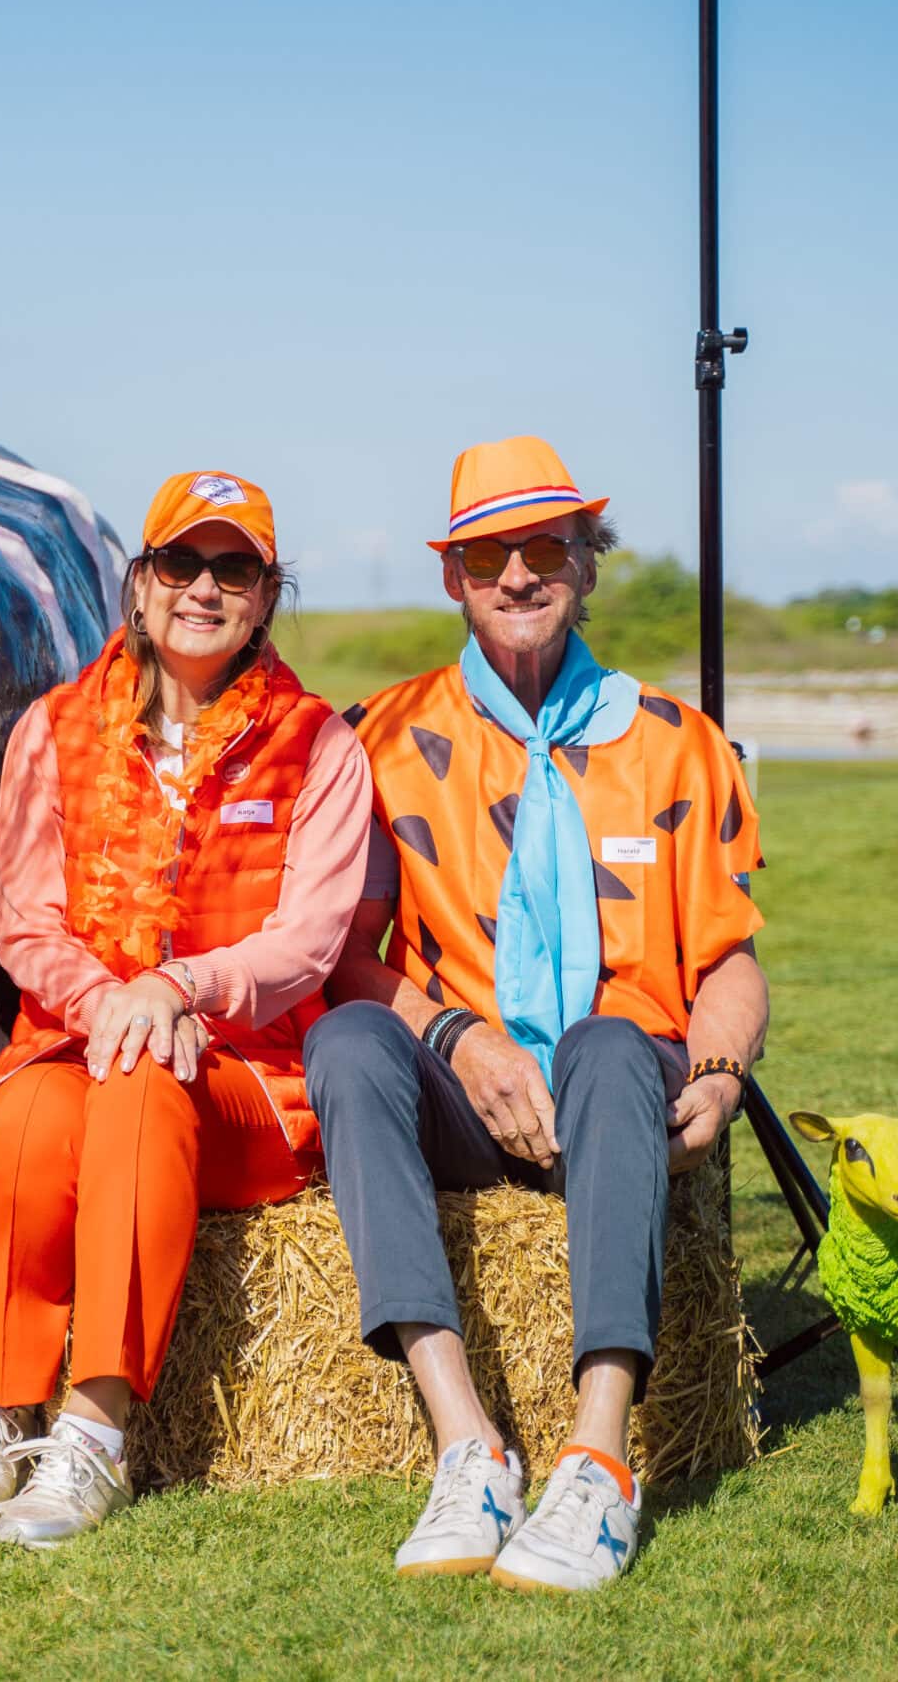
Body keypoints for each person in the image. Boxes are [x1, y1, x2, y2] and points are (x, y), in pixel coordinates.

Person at [305, 436, 769, 1593]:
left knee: (613, 1043)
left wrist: (715, 1070)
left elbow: (731, 961)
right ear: (450, 578)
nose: (516, 574)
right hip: (466, 1098)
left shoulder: (677, 742)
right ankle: (467, 1446)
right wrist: (459, 1042)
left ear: (587, 564)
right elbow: (344, 958)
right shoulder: (375, 738)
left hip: (623, 1101)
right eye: (485, 554)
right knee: (348, 1036)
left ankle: (600, 1456)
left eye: (543, 546)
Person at [0, 470, 371, 1548]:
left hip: (249, 1081)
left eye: (234, 568)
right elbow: (25, 923)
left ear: (267, 596)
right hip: (77, 1046)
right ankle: (4, 1399)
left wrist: (182, 988)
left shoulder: (319, 745)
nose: (203, 587)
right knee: (22, 1120)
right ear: (138, 583)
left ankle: (94, 1430)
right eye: (181, 562)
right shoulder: (51, 729)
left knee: (138, 1088)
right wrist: (118, 1003)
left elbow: (308, 942)